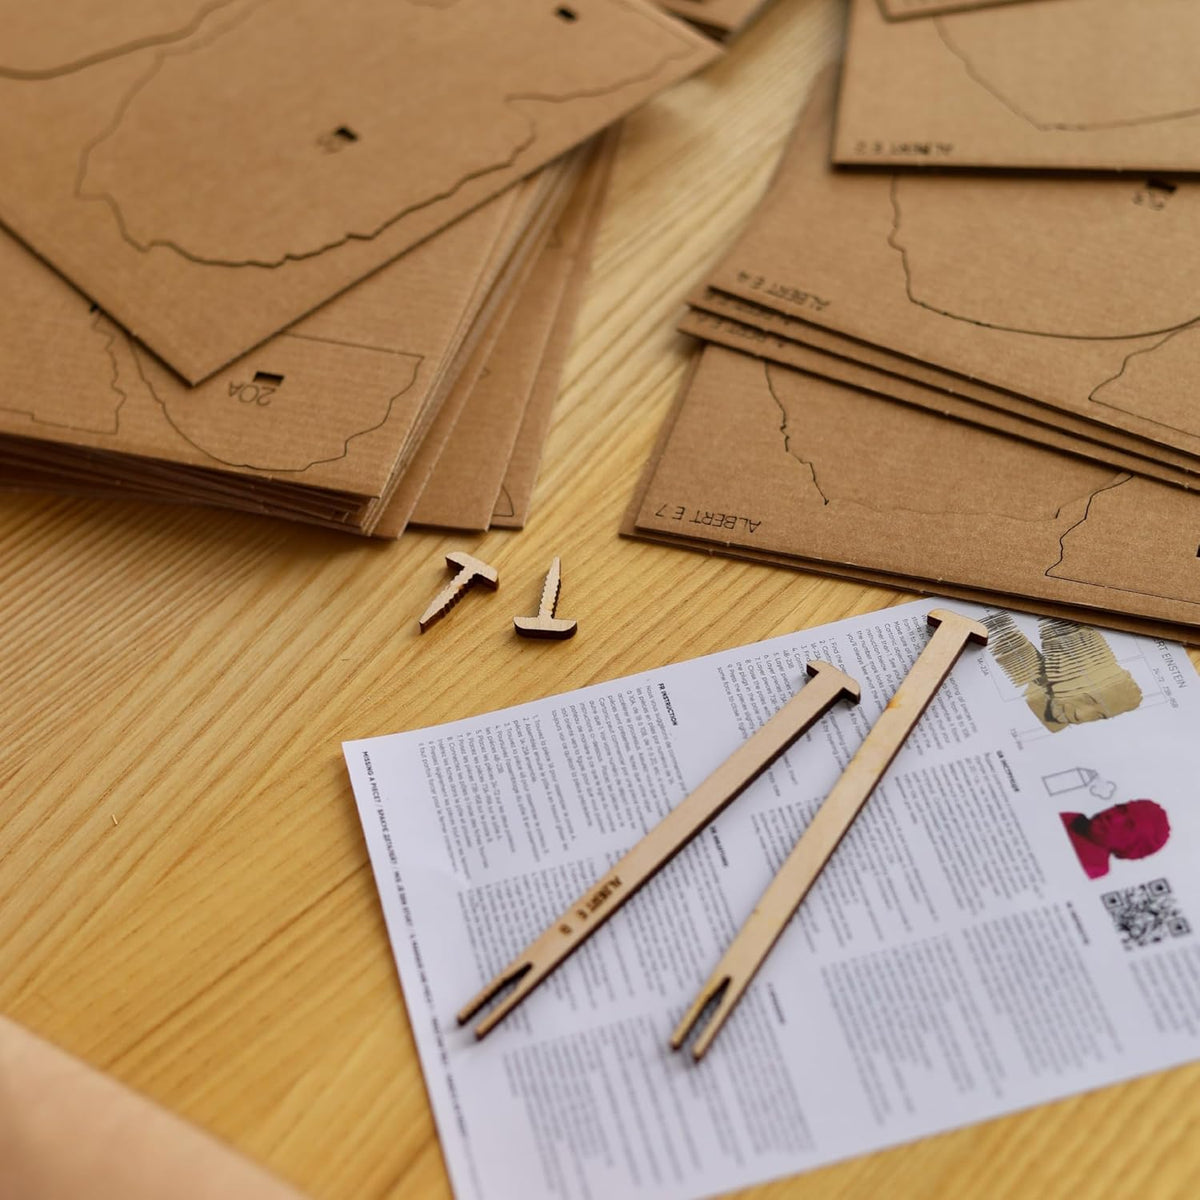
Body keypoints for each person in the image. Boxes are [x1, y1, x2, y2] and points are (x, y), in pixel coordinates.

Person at [1060, 800, 1170, 880]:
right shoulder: (1071, 818)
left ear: (1128, 849)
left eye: (1128, 825)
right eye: (1121, 809)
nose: (1113, 817)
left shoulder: (1094, 869)